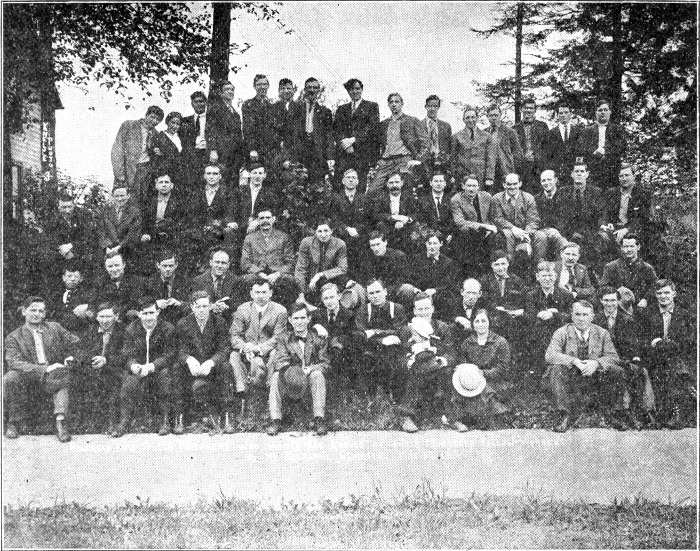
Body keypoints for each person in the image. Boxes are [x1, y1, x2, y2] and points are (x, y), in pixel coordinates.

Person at [544, 300, 631, 433]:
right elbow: (550, 355)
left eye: (585, 315)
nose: (581, 318)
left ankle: (615, 413)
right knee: (556, 369)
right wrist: (573, 361)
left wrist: (596, 363)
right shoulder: (561, 332)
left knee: (616, 371)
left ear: (592, 316)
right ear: (571, 316)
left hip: (595, 376)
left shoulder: (602, 333)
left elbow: (613, 357)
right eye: (577, 314)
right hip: (571, 376)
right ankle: (564, 414)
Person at [4, 296, 79, 442]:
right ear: (24, 311)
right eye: (33, 310)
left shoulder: (54, 328)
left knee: (62, 374)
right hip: (28, 376)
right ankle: (13, 422)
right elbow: (14, 362)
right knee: (10, 377)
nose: (37, 314)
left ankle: (61, 422)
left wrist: (70, 357)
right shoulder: (14, 336)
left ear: (44, 314)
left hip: (53, 376)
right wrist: (44, 369)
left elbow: (75, 343)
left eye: (41, 311)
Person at [114, 296, 177, 437]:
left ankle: (165, 421)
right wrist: (133, 365)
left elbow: (170, 354)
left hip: (158, 368)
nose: (149, 317)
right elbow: (127, 354)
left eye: (151, 313)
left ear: (158, 312)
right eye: (145, 313)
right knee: (128, 382)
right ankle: (124, 421)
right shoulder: (131, 329)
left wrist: (153, 366)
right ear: (139, 314)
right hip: (139, 368)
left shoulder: (167, 328)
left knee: (165, 378)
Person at [637, 279, 696, 429]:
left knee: (674, 365)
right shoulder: (647, 314)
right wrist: (658, 345)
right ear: (655, 296)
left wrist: (661, 343)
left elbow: (687, 341)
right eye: (659, 293)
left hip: (678, 356)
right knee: (668, 367)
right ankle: (669, 412)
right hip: (654, 357)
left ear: (674, 294)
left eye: (667, 292)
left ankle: (676, 412)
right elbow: (642, 340)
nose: (663, 296)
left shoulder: (685, 314)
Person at [174, 291, 234, 435]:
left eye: (205, 306)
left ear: (211, 306)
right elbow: (179, 349)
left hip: (212, 366)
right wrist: (189, 359)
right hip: (192, 366)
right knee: (177, 368)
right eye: (198, 306)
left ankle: (227, 417)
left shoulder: (219, 322)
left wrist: (211, 362)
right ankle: (179, 417)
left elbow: (224, 348)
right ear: (192, 307)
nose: (202, 310)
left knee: (226, 367)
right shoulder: (183, 323)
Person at [395, 293, 456, 433]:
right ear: (414, 311)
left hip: (437, 368)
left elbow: (451, 352)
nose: (423, 313)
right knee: (414, 371)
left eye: (426, 308)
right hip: (416, 370)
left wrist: (442, 360)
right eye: (420, 309)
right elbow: (401, 355)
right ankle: (407, 416)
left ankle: (451, 416)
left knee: (447, 371)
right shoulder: (407, 330)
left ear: (433, 309)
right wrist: (409, 361)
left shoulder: (442, 327)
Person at [267, 302, 329, 436]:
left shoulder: (318, 337)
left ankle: (319, 419)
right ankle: (275, 419)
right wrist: (295, 372)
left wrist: (310, 369)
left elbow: (325, 363)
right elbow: (281, 360)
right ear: (290, 320)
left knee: (317, 374)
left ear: (309, 319)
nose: (299, 322)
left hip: (309, 376)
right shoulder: (284, 338)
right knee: (276, 375)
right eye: (296, 318)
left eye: (302, 318)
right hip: (291, 376)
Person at [594, 286, 650, 429]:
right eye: (606, 300)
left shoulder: (627, 319)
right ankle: (619, 413)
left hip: (623, 358)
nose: (609, 304)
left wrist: (634, 358)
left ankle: (639, 411)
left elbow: (633, 344)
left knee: (637, 372)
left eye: (613, 300)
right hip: (604, 359)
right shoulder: (595, 319)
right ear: (601, 301)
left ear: (618, 301)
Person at [230, 278, 288, 411]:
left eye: (264, 292)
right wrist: (245, 347)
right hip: (247, 351)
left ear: (270, 293)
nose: (260, 296)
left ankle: (269, 387)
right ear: (251, 293)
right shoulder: (243, 309)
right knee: (234, 355)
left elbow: (278, 337)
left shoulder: (280, 311)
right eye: (257, 292)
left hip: (268, 352)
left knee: (276, 353)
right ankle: (242, 390)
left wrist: (258, 348)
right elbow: (234, 335)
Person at [449, 309, 511, 431]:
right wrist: (462, 369)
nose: (480, 324)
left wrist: (483, 373)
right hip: (472, 381)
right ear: (473, 324)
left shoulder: (500, 342)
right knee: (460, 388)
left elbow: (503, 368)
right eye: (477, 321)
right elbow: (463, 363)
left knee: (485, 393)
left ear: (489, 322)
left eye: (484, 321)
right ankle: (458, 420)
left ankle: (482, 419)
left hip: (494, 381)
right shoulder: (467, 343)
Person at [74, 301, 125, 435]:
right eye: (101, 317)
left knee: (112, 382)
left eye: (108, 316)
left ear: (116, 317)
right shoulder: (91, 330)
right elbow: (81, 351)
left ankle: (112, 422)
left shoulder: (123, 331)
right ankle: (87, 422)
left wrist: (106, 360)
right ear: (96, 317)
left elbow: (126, 355)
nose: (105, 320)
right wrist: (93, 359)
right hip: (93, 367)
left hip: (114, 368)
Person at [354, 278, 408, 399]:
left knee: (396, 362)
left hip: (394, 350)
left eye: (378, 292)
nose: (375, 296)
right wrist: (383, 339)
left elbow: (401, 331)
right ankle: (370, 398)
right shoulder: (363, 310)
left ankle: (394, 397)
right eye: (371, 293)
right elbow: (361, 335)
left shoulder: (397, 308)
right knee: (364, 360)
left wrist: (373, 332)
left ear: (385, 291)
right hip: (371, 349)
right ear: (367, 295)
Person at [369, 93, 429, 196]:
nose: (394, 104)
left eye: (397, 102)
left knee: (406, 190)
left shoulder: (412, 121)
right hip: (386, 162)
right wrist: (378, 160)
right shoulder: (383, 124)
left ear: (402, 104)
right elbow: (375, 144)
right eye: (391, 102)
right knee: (373, 191)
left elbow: (426, 143)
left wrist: (418, 160)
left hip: (404, 161)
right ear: (388, 105)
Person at [523, 261, 574, 380]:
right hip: (538, 335)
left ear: (556, 277)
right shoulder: (531, 295)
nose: (547, 279)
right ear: (537, 277)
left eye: (550, 275)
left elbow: (571, 316)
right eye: (544, 276)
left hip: (559, 333)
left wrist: (554, 314)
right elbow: (530, 316)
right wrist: (539, 315)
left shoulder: (566, 295)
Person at [239, 207, 298, 307]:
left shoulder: (284, 237)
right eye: (261, 218)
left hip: (277, 274)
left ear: (273, 219)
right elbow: (245, 262)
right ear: (257, 221)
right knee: (243, 281)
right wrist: (260, 273)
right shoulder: (250, 238)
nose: (265, 221)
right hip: (258, 274)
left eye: (268, 217)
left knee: (290, 281)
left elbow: (290, 262)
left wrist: (277, 274)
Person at [599, 163, 659, 260]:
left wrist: (627, 229)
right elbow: (604, 213)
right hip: (614, 229)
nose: (624, 178)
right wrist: (605, 224)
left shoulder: (643, 194)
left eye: (627, 175)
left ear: (633, 177)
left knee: (630, 244)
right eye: (621, 176)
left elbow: (645, 218)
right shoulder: (611, 193)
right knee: (601, 238)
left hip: (634, 229)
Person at [111, 105, 164, 209]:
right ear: (146, 115)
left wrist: (158, 153)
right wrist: (120, 175)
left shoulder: (156, 134)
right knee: (123, 201)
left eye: (158, 119)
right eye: (152, 117)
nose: (154, 121)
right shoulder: (129, 125)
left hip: (145, 172)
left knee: (139, 204)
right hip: (127, 171)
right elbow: (117, 150)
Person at [332, 78, 380, 191]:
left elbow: (372, 128)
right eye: (352, 89)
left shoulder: (371, 106)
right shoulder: (341, 109)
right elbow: (336, 130)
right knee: (339, 186)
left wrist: (354, 140)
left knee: (360, 186)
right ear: (348, 91)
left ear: (362, 89)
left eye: (357, 88)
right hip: (344, 154)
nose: (355, 91)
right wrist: (345, 143)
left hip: (362, 154)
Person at [401, 231, 459, 320]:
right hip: (419, 292)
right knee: (407, 290)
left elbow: (448, 283)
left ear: (441, 244)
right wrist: (415, 289)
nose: (432, 246)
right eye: (429, 243)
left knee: (447, 296)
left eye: (435, 243)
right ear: (426, 244)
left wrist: (434, 290)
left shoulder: (447, 262)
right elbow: (410, 277)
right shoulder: (417, 259)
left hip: (436, 293)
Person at [311, 282, 357, 394]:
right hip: (322, 352)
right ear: (322, 300)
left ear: (339, 296)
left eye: (332, 297)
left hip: (341, 353)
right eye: (326, 298)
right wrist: (316, 326)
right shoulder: (317, 315)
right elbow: (309, 330)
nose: (329, 301)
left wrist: (336, 340)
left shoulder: (348, 315)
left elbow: (352, 336)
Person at [557, 159, 604, 265]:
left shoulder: (596, 192)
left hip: (589, 232)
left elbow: (601, 213)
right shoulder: (563, 192)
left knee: (596, 242)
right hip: (568, 231)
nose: (579, 174)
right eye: (576, 171)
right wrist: (567, 233)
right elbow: (560, 215)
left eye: (582, 171)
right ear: (572, 174)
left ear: (587, 174)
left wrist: (601, 226)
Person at [450, 174, 498, 276]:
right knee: (466, 234)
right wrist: (483, 226)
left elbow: (493, 217)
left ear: (478, 187)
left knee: (496, 238)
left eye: (474, 186)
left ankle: (490, 272)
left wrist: (489, 228)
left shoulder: (486, 197)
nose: (471, 189)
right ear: (463, 186)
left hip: (486, 232)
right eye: (469, 186)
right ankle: (471, 272)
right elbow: (460, 222)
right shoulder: (456, 199)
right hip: (468, 233)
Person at [294, 217, 350, 304]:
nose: (323, 235)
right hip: (310, 282)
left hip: (331, 281)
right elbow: (300, 269)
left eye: (326, 231)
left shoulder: (340, 244)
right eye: (319, 231)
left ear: (331, 231)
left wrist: (321, 274)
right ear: (315, 232)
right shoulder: (306, 242)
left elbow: (343, 268)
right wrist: (302, 292)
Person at [491, 172, 541, 265]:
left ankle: (537, 266)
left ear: (520, 184)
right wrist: (513, 229)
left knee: (540, 236)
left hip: (525, 232)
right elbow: (498, 218)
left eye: (515, 184)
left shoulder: (528, 198)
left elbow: (533, 219)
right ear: (504, 185)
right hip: (506, 231)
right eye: (509, 184)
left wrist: (526, 234)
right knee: (507, 234)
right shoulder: (497, 198)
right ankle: (509, 263)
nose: (512, 187)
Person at [291, 77, 335, 184]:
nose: (312, 90)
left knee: (317, 185)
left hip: (317, 154)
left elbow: (329, 135)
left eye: (315, 88)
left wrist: (330, 157)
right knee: (299, 185)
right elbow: (290, 133)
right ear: (305, 90)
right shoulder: (295, 109)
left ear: (319, 91)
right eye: (309, 87)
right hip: (300, 153)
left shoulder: (325, 112)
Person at [576, 99, 627, 189]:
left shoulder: (617, 130)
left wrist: (605, 151)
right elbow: (581, 148)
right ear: (596, 113)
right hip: (593, 171)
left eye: (605, 110)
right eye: (600, 110)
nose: (603, 112)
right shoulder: (587, 130)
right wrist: (593, 152)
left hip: (613, 171)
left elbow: (622, 147)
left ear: (610, 112)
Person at [479, 250, 526, 345]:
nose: (501, 268)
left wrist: (518, 311)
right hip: (493, 317)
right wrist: (495, 308)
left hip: (512, 318)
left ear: (508, 264)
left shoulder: (517, 281)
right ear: (491, 265)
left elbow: (523, 300)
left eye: (503, 264)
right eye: (496, 264)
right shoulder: (484, 280)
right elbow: (482, 301)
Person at [192, 163, 238, 258]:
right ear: (204, 176)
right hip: (201, 227)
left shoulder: (227, 193)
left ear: (220, 176)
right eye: (208, 173)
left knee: (228, 233)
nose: (211, 177)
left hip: (219, 230)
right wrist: (203, 225)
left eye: (215, 174)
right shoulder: (197, 192)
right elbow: (194, 213)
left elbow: (229, 213)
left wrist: (216, 224)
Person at [600, 234, 658, 310]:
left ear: (638, 247)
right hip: (617, 308)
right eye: (626, 247)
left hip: (640, 307)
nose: (629, 250)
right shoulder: (611, 267)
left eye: (631, 246)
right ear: (621, 248)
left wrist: (646, 299)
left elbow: (655, 286)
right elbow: (603, 288)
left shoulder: (647, 268)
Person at [329, 168, 368, 275]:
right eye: (348, 177)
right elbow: (334, 219)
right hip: (342, 234)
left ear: (358, 181)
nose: (351, 180)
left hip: (359, 235)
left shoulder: (364, 198)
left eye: (354, 178)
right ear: (343, 181)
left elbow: (367, 219)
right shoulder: (336, 198)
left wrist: (357, 230)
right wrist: (347, 229)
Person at [368, 171, 417, 252]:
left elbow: (416, 213)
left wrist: (407, 219)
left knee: (415, 227)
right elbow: (375, 214)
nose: (394, 185)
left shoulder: (409, 197)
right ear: (387, 184)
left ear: (402, 183)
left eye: (397, 182)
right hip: (387, 226)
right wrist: (392, 217)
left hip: (405, 227)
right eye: (391, 183)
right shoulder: (381, 197)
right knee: (380, 225)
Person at [206, 80, 244, 182]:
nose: (230, 92)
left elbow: (238, 134)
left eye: (232, 89)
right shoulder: (215, 108)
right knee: (222, 182)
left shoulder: (235, 113)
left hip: (235, 155)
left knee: (233, 183)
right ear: (220, 93)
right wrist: (213, 150)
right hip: (221, 153)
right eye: (227, 89)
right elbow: (210, 130)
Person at [354, 230, 410, 300]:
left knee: (407, 288)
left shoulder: (398, 256)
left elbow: (402, 279)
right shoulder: (366, 257)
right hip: (372, 291)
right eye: (372, 245)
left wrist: (384, 291)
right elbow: (363, 278)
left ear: (385, 242)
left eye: (378, 244)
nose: (376, 248)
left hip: (393, 290)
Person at [189, 248, 241, 322]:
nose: (220, 266)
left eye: (223, 263)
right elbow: (192, 305)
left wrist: (226, 307)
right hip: (205, 320)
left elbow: (238, 304)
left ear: (228, 265)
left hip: (228, 320)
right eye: (217, 262)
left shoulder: (235, 280)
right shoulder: (198, 281)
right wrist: (211, 307)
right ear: (211, 262)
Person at [92, 252, 144, 321]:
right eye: (110, 266)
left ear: (123, 265)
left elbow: (136, 303)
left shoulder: (136, 281)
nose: (114, 269)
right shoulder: (100, 283)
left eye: (117, 265)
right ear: (105, 267)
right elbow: (96, 304)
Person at [143, 249, 189, 325]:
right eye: (164, 266)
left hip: (179, 323)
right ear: (158, 265)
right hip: (156, 324)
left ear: (176, 265)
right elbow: (142, 304)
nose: (168, 269)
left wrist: (180, 304)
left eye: (171, 266)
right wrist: (156, 304)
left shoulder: (184, 282)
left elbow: (192, 304)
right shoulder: (149, 283)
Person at [514, 97, 550, 194]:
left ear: (535, 110)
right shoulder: (514, 129)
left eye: (531, 108)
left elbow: (547, 148)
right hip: (521, 169)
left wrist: (536, 156)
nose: (528, 110)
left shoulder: (543, 126)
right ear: (521, 109)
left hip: (538, 168)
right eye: (526, 108)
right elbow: (512, 151)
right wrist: (523, 156)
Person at [484, 104, 523, 193]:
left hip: (505, 171)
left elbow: (518, 154)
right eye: (491, 115)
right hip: (490, 174)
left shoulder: (510, 132)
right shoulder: (484, 133)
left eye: (496, 115)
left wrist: (514, 173)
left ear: (500, 116)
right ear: (488, 117)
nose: (493, 118)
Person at [532, 170, 568, 264]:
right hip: (541, 232)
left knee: (563, 243)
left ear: (555, 180)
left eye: (549, 180)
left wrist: (556, 230)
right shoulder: (536, 199)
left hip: (560, 232)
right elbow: (534, 219)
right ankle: (540, 269)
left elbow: (567, 218)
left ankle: (561, 270)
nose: (546, 183)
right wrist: (546, 230)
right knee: (541, 239)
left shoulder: (565, 196)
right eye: (543, 180)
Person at [97, 185, 142, 260]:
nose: (119, 199)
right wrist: (107, 246)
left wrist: (119, 247)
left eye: (122, 196)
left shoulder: (135, 212)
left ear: (128, 196)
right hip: (108, 251)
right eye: (116, 196)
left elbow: (133, 233)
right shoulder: (106, 211)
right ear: (112, 197)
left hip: (127, 250)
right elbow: (101, 230)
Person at [241, 74, 278, 165]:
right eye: (259, 84)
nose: (262, 87)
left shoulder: (273, 106)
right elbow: (248, 129)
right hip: (255, 152)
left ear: (268, 86)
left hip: (271, 152)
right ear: (254, 86)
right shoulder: (248, 104)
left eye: (265, 84)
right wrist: (252, 149)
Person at [48, 193, 94, 265]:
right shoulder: (53, 220)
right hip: (62, 256)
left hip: (81, 255)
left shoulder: (82, 217)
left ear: (74, 206)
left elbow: (87, 237)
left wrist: (71, 245)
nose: (67, 211)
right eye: (64, 207)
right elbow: (52, 241)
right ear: (59, 207)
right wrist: (62, 249)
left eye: (69, 207)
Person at [140, 173, 183, 252]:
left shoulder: (179, 202)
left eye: (166, 182)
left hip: (171, 238)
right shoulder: (149, 202)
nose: (164, 185)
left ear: (172, 185)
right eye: (161, 182)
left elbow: (177, 223)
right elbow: (144, 221)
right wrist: (145, 234)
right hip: (151, 238)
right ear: (156, 185)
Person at [450, 105, 492, 185]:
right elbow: (453, 158)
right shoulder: (456, 137)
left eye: (473, 117)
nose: (470, 120)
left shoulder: (486, 136)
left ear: (477, 118)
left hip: (481, 177)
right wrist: (453, 175)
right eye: (467, 118)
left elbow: (490, 158)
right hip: (462, 176)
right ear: (463, 120)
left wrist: (489, 177)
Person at [150, 111, 187, 200]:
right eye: (172, 123)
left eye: (178, 124)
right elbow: (154, 156)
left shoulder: (181, 138)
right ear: (167, 122)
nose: (175, 126)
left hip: (179, 174)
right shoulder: (160, 136)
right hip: (165, 173)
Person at [51, 261, 94, 337]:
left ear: (81, 279)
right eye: (69, 276)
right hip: (57, 332)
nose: (73, 279)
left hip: (78, 332)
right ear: (63, 278)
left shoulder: (86, 294)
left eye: (76, 276)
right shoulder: (56, 294)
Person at [179, 91, 209, 198]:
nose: (199, 104)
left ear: (205, 103)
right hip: (191, 157)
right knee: (191, 185)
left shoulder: (212, 119)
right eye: (196, 102)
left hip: (207, 155)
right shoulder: (185, 121)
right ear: (192, 104)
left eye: (201, 101)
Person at [233, 163, 277, 235]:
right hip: (241, 224)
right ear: (249, 174)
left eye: (260, 173)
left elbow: (272, 211)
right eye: (254, 173)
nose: (257, 176)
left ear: (264, 175)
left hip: (259, 225)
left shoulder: (269, 193)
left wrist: (257, 221)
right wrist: (232, 222)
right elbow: (232, 208)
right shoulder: (241, 190)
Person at [546, 101, 581, 186]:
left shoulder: (578, 131)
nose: (563, 115)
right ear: (557, 115)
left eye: (566, 112)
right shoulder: (550, 133)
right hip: (558, 175)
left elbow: (581, 153)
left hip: (574, 174)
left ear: (570, 114)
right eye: (561, 113)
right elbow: (548, 157)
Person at [416, 169, 455, 243]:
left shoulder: (451, 200)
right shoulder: (422, 200)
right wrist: (436, 235)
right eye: (436, 181)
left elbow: (454, 220)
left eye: (441, 181)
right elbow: (421, 221)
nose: (438, 184)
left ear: (445, 183)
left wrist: (451, 234)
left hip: (449, 236)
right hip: (430, 236)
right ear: (431, 183)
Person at [270, 77, 300, 158]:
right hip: (277, 153)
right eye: (283, 88)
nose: (286, 91)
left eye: (289, 88)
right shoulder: (272, 108)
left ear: (293, 90)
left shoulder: (300, 108)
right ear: (279, 91)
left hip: (296, 153)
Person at [423, 94, 452, 172]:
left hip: (442, 164)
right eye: (429, 106)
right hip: (424, 164)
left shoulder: (446, 126)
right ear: (425, 107)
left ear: (438, 108)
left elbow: (449, 148)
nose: (432, 109)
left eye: (435, 106)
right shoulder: (418, 125)